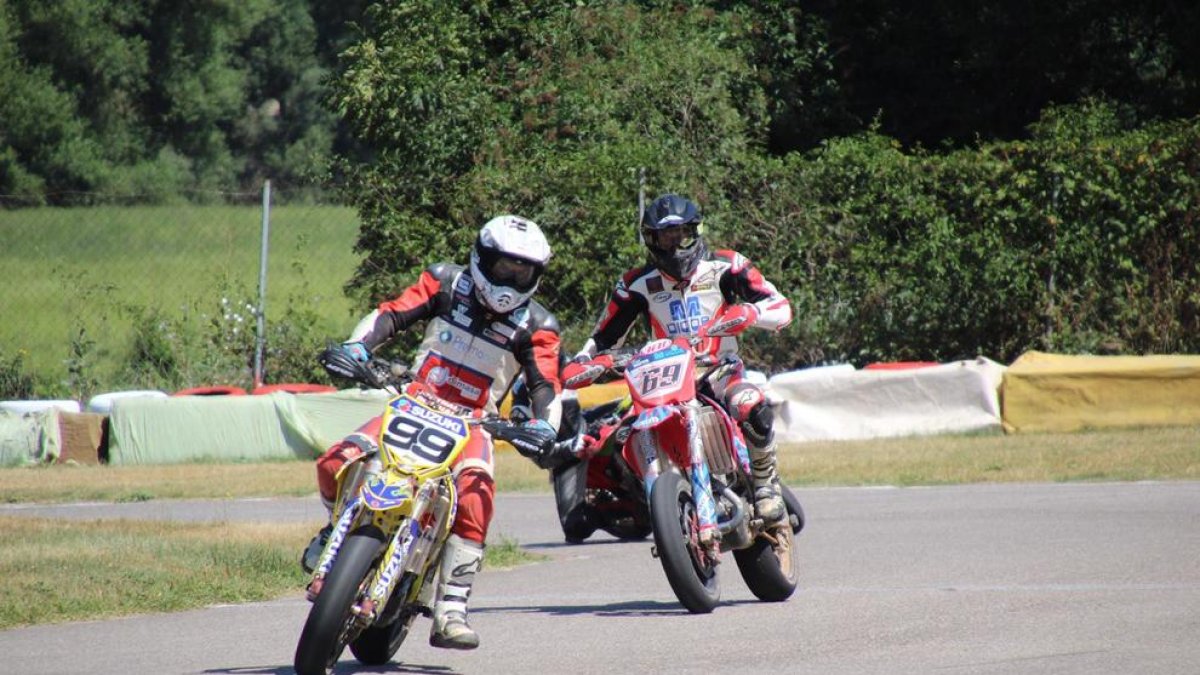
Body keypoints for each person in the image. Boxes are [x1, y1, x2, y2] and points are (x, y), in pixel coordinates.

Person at [303, 215, 563, 650]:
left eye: (524, 273)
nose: (512, 280)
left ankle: (451, 609)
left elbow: (546, 384)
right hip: (413, 402)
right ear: (482, 258)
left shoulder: (539, 325)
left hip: (475, 422)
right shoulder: (444, 282)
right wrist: (356, 349)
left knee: (477, 496)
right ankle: (333, 531)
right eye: (505, 268)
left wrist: (542, 426)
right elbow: (391, 315)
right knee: (335, 461)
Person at [573, 194, 792, 522]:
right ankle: (657, 503)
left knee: (749, 403)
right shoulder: (637, 283)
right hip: (665, 379)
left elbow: (780, 305)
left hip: (719, 371)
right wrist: (582, 361)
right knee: (623, 433)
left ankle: (766, 484)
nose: (674, 245)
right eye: (665, 237)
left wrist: (750, 312)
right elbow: (603, 337)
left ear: (695, 232)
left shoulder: (727, 265)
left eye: (681, 235)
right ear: (652, 240)